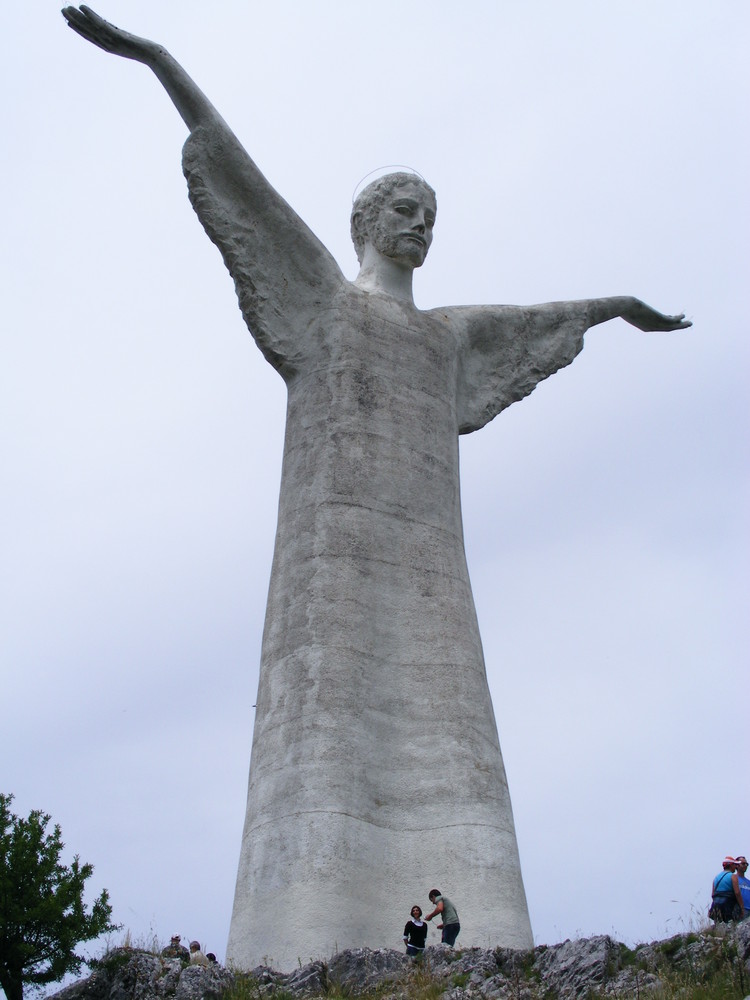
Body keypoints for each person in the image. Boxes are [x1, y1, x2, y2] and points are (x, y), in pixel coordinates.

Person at [61, 6, 691, 969]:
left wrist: (619, 309)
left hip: (433, 570)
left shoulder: (446, 336)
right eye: (404, 210)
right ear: (364, 223)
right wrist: (154, 59)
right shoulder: (322, 302)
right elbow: (238, 171)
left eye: (431, 215)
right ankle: (304, 936)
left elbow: (547, 314)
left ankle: (478, 941)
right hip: (334, 572)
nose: (421, 224)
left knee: (455, 722)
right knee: (330, 727)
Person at [709, 857, 744, 923]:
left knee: (719, 925)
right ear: (731, 865)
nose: (736, 867)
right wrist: (742, 907)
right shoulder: (733, 876)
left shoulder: (716, 877)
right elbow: (737, 893)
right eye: (734, 865)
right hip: (729, 906)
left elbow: (713, 894)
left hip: (717, 906)